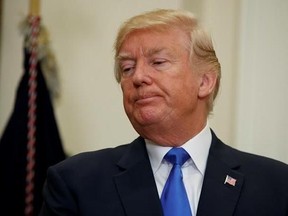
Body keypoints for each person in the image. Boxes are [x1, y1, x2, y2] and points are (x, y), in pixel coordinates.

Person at [39, 9, 288, 216]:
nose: (137, 77)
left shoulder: (276, 186)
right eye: (127, 68)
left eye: (158, 62)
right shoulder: (75, 183)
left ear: (204, 82)